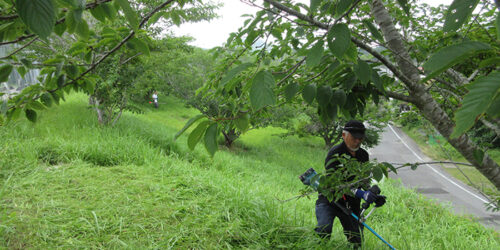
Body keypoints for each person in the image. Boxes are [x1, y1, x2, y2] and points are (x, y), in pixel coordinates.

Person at [315, 120, 386, 246]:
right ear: (344, 135)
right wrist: (360, 193)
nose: (358, 141)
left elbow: (363, 181)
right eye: (354, 138)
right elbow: (335, 183)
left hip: (351, 204)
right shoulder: (335, 153)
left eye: (361, 138)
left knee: (356, 242)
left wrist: (372, 194)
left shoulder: (363, 155)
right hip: (330, 200)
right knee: (323, 230)